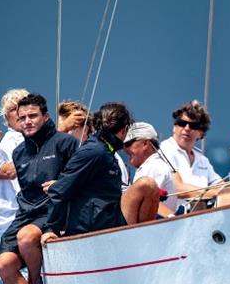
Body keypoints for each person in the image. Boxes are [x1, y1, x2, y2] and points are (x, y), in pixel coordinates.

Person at [0, 94, 80, 284]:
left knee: (27, 237)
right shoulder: (19, 152)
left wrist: (60, 185)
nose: (28, 121)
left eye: (33, 116)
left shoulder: (65, 143)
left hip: (54, 211)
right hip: (26, 213)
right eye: (23, 118)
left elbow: (80, 179)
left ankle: (34, 282)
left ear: (46, 116)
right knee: (4, 264)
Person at [40, 102, 159, 243]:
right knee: (147, 185)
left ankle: (142, 242)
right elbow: (61, 189)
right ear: (124, 130)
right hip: (94, 226)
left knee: (147, 187)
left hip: (107, 217)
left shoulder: (105, 150)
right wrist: (50, 229)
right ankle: (144, 243)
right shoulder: (94, 151)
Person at [58, 100, 131, 191]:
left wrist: (58, 185)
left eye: (69, 128)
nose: (62, 135)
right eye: (59, 130)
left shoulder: (104, 154)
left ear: (85, 130)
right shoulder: (59, 158)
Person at [160, 100, 222, 188]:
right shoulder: (164, 150)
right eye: (182, 123)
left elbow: (220, 185)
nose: (187, 128)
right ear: (174, 127)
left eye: (193, 126)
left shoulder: (203, 160)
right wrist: (213, 192)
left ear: (201, 133)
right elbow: (176, 188)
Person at [0, 88, 30, 192]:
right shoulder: (10, 142)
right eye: (12, 109)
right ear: (6, 118)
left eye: (22, 106)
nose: (18, 112)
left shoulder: (36, 137)